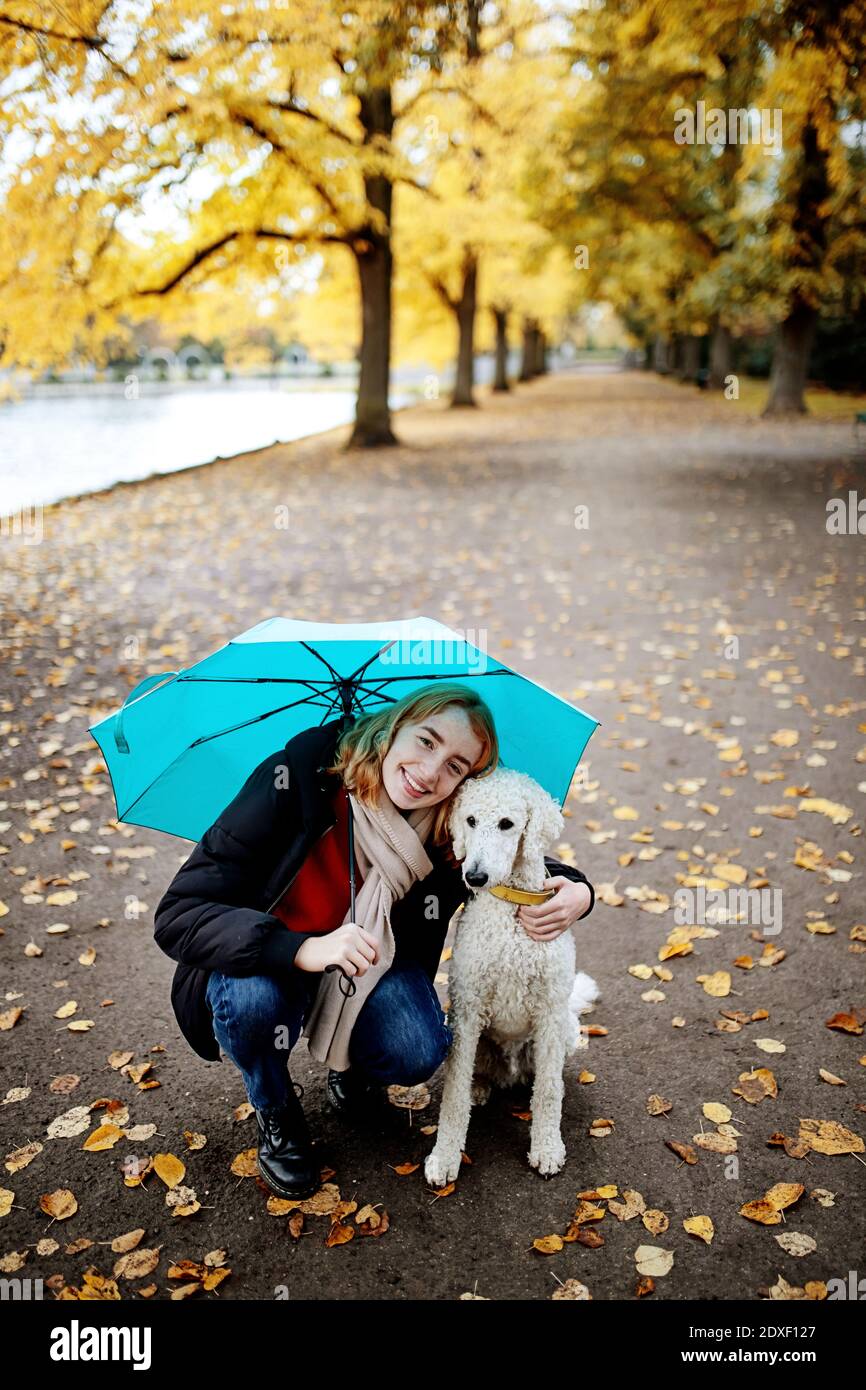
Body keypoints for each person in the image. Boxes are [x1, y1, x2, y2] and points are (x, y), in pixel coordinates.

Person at [153, 683, 595, 1199]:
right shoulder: (293, 776)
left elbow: (505, 858)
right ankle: (275, 1108)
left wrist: (579, 891)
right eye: (426, 741)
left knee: (415, 1049)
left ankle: (355, 1066)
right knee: (251, 1003)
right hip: (268, 962)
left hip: (368, 973)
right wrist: (302, 948)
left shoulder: (446, 824)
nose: (430, 772)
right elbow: (179, 913)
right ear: (392, 728)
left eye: (455, 766)